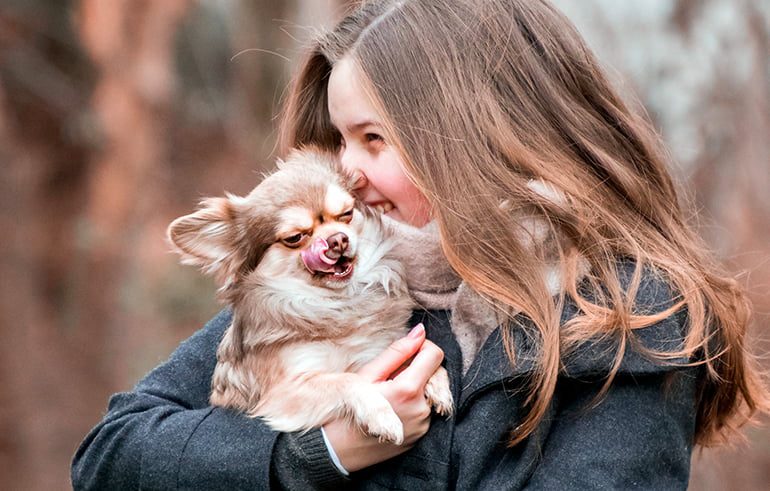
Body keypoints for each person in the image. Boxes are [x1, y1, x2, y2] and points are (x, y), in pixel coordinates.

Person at [71, 0, 769, 489]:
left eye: (372, 139)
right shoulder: (327, 282)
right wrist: (317, 454)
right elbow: (111, 453)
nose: (346, 170)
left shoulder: (620, 314)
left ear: (476, 134)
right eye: (341, 140)